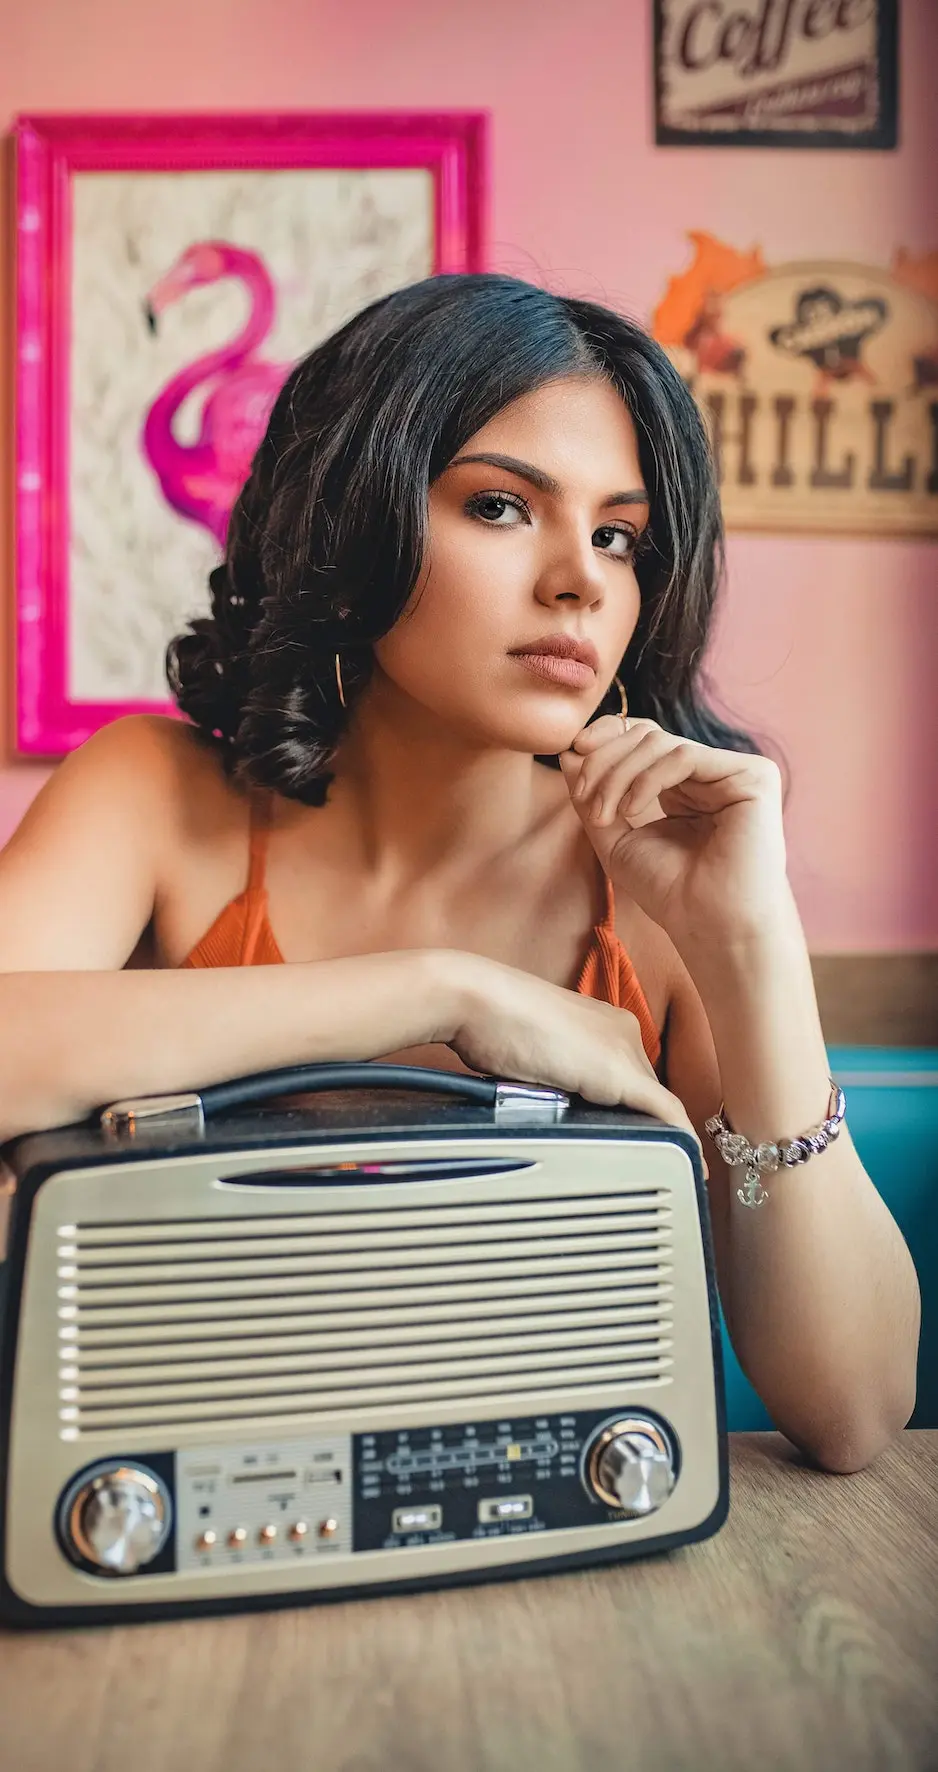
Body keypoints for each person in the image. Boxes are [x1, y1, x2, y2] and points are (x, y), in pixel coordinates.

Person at [0, 273, 919, 1471]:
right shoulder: (159, 792)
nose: (579, 579)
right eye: (498, 507)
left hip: (559, 1548)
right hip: (201, 1512)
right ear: (349, 519)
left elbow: (850, 1410)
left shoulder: (661, 888)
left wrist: (746, 938)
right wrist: (447, 992)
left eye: (617, 536)